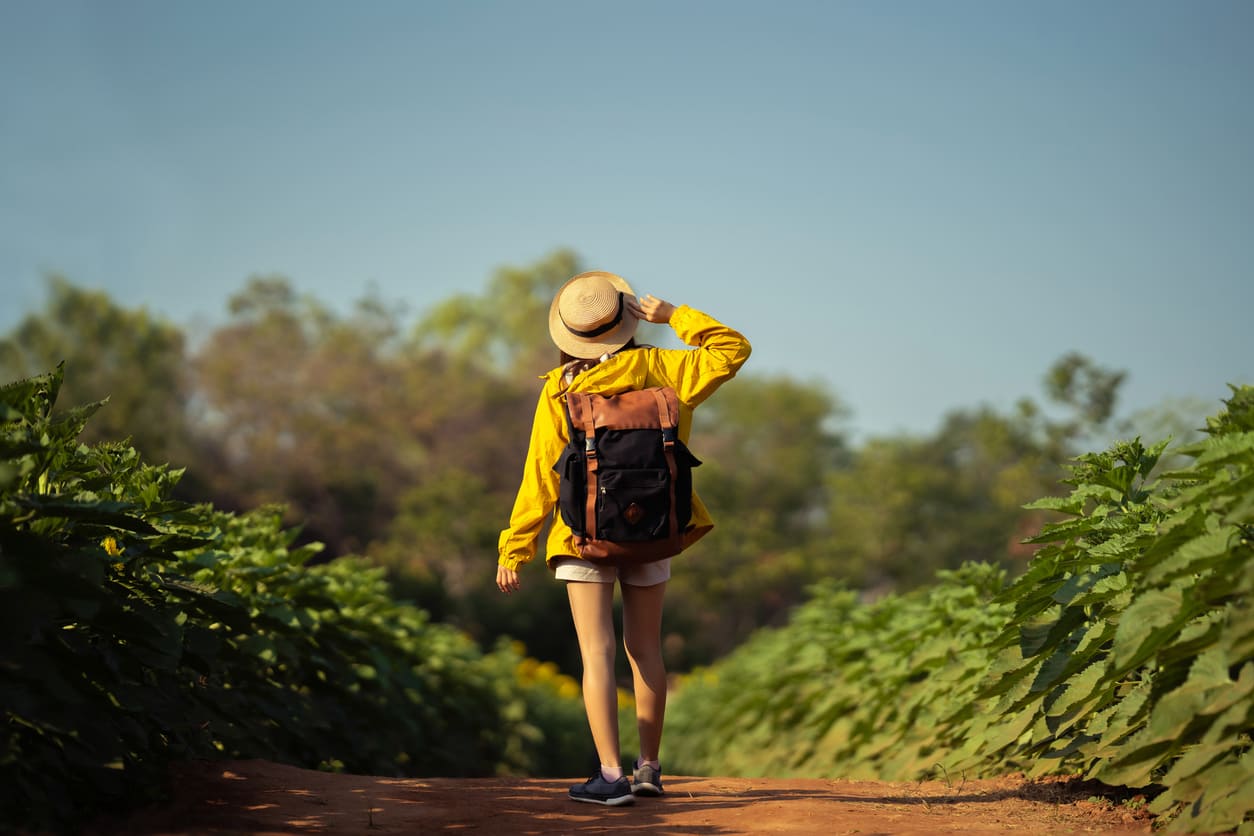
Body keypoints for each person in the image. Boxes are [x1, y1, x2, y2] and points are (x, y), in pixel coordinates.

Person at [496, 270, 751, 806]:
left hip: (582, 536)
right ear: (626, 321)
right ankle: (650, 769)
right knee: (645, 650)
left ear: (571, 334)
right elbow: (734, 348)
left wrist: (514, 547)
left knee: (597, 653)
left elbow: (541, 473)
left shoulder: (561, 389)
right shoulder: (669, 369)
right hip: (658, 530)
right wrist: (673, 316)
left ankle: (610, 777)